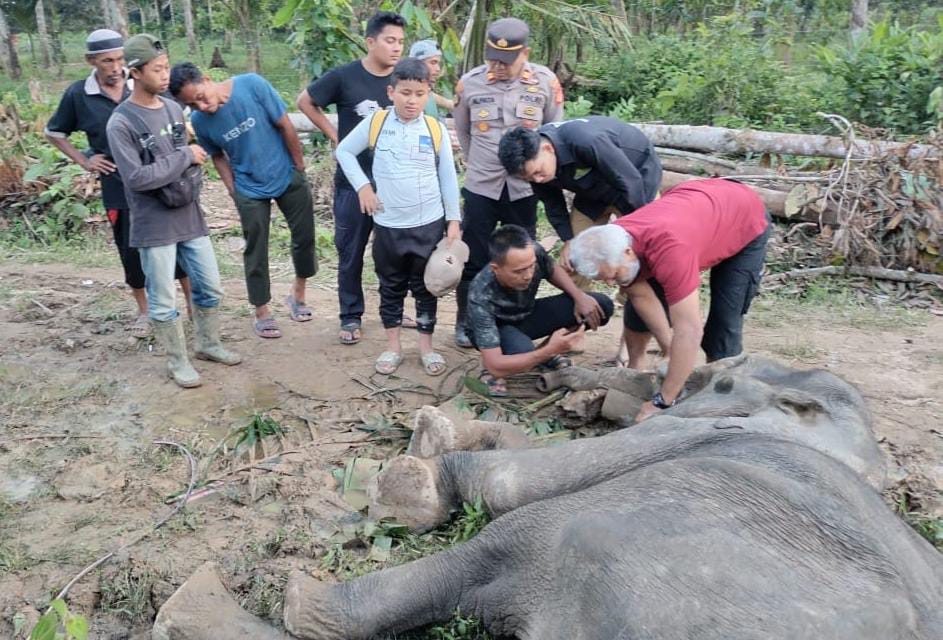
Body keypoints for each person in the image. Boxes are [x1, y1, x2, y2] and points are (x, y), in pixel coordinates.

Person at [568, 178, 771, 422]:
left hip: (742, 217)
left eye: (612, 276)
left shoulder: (670, 249)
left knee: (724, 321)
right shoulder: (614, 239)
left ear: (628, 252)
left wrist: (662, 401)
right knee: (638, 301)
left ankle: (721, 393)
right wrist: (668, 349)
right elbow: (641, 296)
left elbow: (689, 330)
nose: (611, 284)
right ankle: (639, 367)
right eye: (605, 279)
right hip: (698, 208)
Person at [106, 34, 240, 388]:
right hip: (153, 224)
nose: (166, 75)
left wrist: (188, 161)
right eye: (157, 69)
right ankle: (177, 361)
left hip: (189, 215)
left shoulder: (170, 108)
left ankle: (208, 343)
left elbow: (185, 153)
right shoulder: (121, 123)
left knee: (210, 287)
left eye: (166, 67)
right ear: (135, 72)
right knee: (163, 300)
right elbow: (136, 178)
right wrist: (184, 158)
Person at [45, 29, 191, 339]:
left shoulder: (143, 85)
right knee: (130, 249)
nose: (115, 67)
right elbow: (54, 132)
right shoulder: (78, 95)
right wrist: (85, 160)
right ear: (91, 61)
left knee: (177, 244)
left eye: (121, 59)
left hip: (161, 184)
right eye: (107, 61)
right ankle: (144, 310)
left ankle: (193, 305)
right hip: (117, 187)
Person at [498, 116, 662, 366]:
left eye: (539, 173)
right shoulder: (536, 166)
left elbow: (629, 182)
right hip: (593, 193)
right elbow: (552, 204)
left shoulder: (587, 141)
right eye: (531, 178)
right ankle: (572, 334)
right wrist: (568, 240)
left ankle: (628, 349)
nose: (539, 180)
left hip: (637, 183)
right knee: (574, 261)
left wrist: (635, 234)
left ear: (548, 148)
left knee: (633, 270)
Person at [169, 62, 317, 340]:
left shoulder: (252, 85)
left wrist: (298, 165)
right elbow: (217, 155)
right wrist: (232, 189)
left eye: (201, 96)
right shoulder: (201, 122)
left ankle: (298, 294)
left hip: (285, 173)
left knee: (304, 236)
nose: (202, 106)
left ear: (208, 79)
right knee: (256, 246)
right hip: (248, 186)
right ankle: (261, 310)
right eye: (192, 105)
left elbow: (284, 124)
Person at [335, 57, 461, 376]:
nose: (412, 100)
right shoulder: (376, 123)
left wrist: (453, 220)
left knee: (426, 287)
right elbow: (344, 152)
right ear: (391, 92)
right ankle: (393, 348)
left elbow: (447, 176)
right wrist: (363, 186)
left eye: (419, 94)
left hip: (429, 224)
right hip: (389, 224)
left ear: (428, 93)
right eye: (405, 92)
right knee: (390, 286)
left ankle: (426, 348)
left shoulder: (435, 129)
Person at [452, 17, 565, 348]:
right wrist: (481, 164)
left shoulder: (545, 82)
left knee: (524, 260)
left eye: (506, 60)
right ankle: (466, 322)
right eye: (492, 58)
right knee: (473, 259)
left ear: (525, 53)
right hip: (482, 188)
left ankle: (518, 321)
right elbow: (463, 132)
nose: (497, 66)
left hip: (524, 190)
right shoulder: (470, 84)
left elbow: (552, 134)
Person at [296, 11, 406, 345]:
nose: (397, 48)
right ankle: (350, 316)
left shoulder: (402, 79)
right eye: (390, 40)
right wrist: (336, 136)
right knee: (351, 254)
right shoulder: (344, 77)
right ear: (371, 41)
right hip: (353, 184)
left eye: (401, 42)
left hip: (394, 185)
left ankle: (395, 313)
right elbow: (305, 101)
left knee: (395, 255)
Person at [467, 224, 614, 396]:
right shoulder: (480, 294)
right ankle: (543, 354)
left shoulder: (533, 252)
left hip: (526, 315)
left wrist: (578, 296)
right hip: (496, 328)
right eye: (519, 271)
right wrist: (550, 351)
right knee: (520, 351)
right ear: (495, 269)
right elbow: (495, 365)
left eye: (531, 266)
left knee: (600, 305)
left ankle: (543, 353)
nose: (528, 275)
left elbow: (552, 269)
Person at [408, 39, 454, 118]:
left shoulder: (426, 92)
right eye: (433, 63)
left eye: (438, 63)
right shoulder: (407, 96)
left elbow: (432, 96)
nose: (438, 69)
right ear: (418, 64)